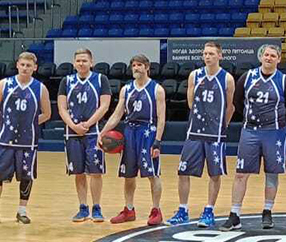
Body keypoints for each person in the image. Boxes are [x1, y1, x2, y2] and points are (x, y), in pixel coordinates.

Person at [221, 43, 286, 231]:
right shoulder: (248, 77)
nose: (269, 58)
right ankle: (234, 214)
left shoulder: (283, 81)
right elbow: (237, 101)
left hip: (274, 132)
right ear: (261, 57)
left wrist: (278, 120)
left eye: (273, 56)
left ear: (278, 59)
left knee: (271, 173)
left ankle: (267, 211)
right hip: (250, 131)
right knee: (241, 173)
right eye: (266, 55)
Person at [168, 41, 235, 228]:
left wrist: (221, 126)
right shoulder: (194, 75)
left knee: (214, 174)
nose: (207, 56)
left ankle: (209, 210)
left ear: (220, 56)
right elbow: (191, 103)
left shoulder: (227, 78)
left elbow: (230, 107)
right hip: (194, 132)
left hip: (216, 135)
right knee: (183, 171)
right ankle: (182, 210)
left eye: (211, 53)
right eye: (205, 53)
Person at [0, 51, 51, 226]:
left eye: (29, 65)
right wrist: (6, 122)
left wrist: (29, 124)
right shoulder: (4, 84)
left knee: (26, 176)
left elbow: (47, 114)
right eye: (23, 65)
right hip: (5, 139)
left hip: (28, 141)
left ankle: (22, 211)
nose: (25, 68)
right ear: (17, 65)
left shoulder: (40, 88)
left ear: (35, 68)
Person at [99, 54, 166, 227]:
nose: (136, 68)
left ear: (147, 67)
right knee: (128, 175)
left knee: (152, 174)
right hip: (129, 132)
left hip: (148, 132)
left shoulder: (157, 89)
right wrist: (102, 132)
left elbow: (161, 118)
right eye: (134, 65)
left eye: (139, 65)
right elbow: (117, 115)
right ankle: (129, 210)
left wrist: (157, 141)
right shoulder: (126, 89)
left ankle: (156, 210)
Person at [57, 48, 111, 223]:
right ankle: (82, 207)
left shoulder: (101, 79)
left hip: (94, 133)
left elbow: (104, 106)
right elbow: (62, 108)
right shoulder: (66, 81)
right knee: (78, 172)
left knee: (96, 172)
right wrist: (73, 126)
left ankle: (96, 207)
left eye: (84, 60)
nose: (81, 63)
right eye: (78, 61)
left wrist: (87, 124)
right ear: (74, 63)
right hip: (72, 133)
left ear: (91, 62)